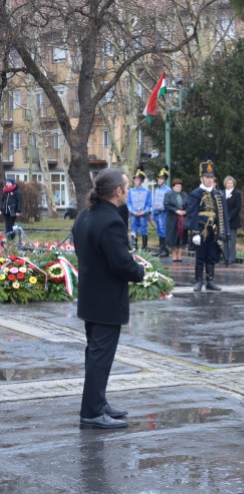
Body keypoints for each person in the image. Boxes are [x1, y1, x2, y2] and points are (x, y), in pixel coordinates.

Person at [73, 168, 145, 429]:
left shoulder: (86, 214)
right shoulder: (111, 221)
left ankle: (97, 401)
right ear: (118, 191)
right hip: (106, 301)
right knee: (100, 356)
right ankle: (91, 412)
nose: (128, 190)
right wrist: (140, 271)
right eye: (126, 187)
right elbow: (121, 264)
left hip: (91, 297)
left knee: (95, 355)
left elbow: (79, 246)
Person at [188, 159, 229, 292]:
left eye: (211, 177)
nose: (210, 180)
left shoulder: (218, 194)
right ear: (201, 178)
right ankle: (199, 280)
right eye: (207, 177)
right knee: (201, 255)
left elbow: (222, 214)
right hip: (201, 228)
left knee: (212, 254)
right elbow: (192, 214)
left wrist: (222, 233)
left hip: (214, 229)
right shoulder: (195, 194)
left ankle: (210, 280)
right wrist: (194, 232)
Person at [126, 168, 151, 251]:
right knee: (134, 230)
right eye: (135, 180)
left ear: (141, 181)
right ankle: (134, 247)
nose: (135, 182)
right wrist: (132, 211)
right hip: (134, 214)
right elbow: (128, 202)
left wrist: (144, 211)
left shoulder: (147, 191)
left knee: (144, 230)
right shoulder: (130, 191)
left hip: (143, 214)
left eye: (137, 180)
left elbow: (149, 204)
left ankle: (144, 247)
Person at [164, 178, 189, 262]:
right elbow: (166, 205)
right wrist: (176, 210)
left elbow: (189, 206)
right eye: (177, 186)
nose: (179, 188)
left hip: (183, 219)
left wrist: (185, 211)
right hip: (172, 219)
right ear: (173, 187)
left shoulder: (185, 195)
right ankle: (174, 255)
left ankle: (179, 255)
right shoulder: (168, 195)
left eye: (180, 186)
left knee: (182, 237)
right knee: (172, 237)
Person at [151, 168, 171, 258]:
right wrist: (152, 214)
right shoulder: (156, 190)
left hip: (164, 214)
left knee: (163, 231)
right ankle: (161, 249)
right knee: (159, 231)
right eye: (158, 178)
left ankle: (165, 250)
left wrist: (162, 207)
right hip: (156, 214)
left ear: (165, 180)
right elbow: (154, 202)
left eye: (161, 178)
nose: (159, 180)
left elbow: (169, 203)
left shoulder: (168, 190)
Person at [223, 176, 242, 265]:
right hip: (223, 220)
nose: (229, 185)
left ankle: (231, 258)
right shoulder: (222, 193)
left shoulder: (237, 194)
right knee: (225, 240)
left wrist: (230, 216)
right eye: (228, 183)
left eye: (231, 183)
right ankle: (225, 258)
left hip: (233, 220)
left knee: (232, 240)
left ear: (233, 184)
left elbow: (237, 207)